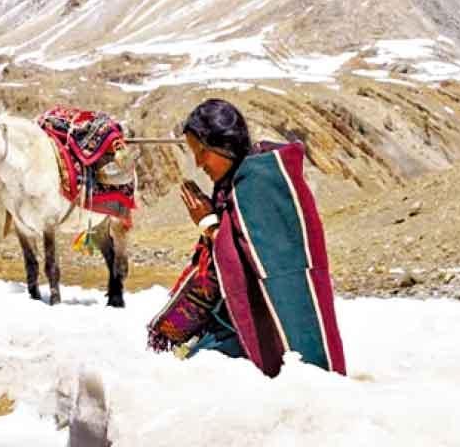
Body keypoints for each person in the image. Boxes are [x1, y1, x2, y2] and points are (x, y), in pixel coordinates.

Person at [147, 98, 346, 377]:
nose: (199, 163)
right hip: (232, 323)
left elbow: (254, 262)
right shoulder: (232, 185)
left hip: (269, 330)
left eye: (202, 151)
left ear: (224, 146)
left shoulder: (261, 183)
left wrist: (208, 224)